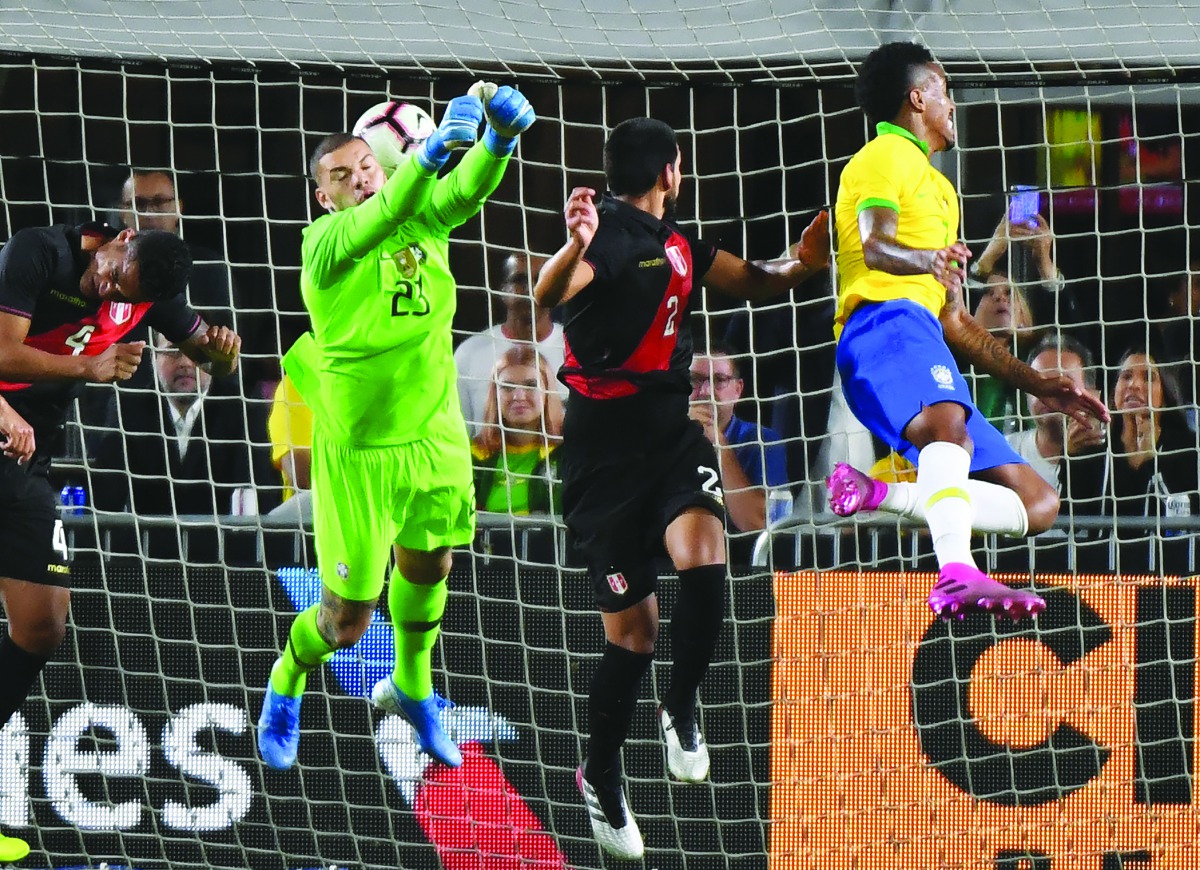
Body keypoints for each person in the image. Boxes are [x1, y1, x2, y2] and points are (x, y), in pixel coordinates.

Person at [533, 117, 829, 861]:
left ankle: (682, 702)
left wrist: (807, 262)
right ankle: (600, 773)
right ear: (671, 169)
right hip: (603, 459)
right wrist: (573, 242)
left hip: (670, 434)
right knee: (633, 635)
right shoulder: (607, 234)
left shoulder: (681, 245)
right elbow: (550, 292)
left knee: (706, 554)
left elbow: (761, 282)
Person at [255, 83, 537, 773]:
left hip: (435, 434)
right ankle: (287, 675)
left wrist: (497, 144)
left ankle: (415, 688)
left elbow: (462, 194)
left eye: (366, 168)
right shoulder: (324, 244)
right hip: (361, 453)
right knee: (348, 623)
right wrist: (436, 149)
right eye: (341, 177)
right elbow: (388, 211)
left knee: (431, 563)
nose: (358, 181)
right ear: (324, 196)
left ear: (383, 163)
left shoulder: (422, 224)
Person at [823, 41, 1108, 623]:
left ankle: (882, 494)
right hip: (882, 326)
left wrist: (1038, 382)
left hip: (922, 333)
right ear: (917, 96)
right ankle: (956, 574)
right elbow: (876, 246)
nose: (952, 103)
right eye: (945, 89)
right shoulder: (883, 155)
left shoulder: (943, 191)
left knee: (1038, 502)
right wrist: (927, 260)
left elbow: (956, 320)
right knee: (947, 434)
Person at [0, 220, 237, 862]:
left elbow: (208, 353)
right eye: (110, 272)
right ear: (120, 237)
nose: (108, 290)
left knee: (41, 627)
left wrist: (221, 348)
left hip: (31, 456)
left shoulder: (150, 288)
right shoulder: (37, 254)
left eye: (122, 293)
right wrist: (91, 365)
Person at [90, 328, 266, 561]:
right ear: (153, 359)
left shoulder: (243, 410)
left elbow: (255, 496)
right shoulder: (128, 408)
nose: (184, 362)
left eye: (196, 352)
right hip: (148, 560)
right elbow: (107, 495)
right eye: (172, 351)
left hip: (223, 560)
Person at [1064, 347, 1198, 522]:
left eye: (1148, 377)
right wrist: (1070, 460)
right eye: (1126, 376)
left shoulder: (1188, 448)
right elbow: (1068, 519)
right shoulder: (1095, 446)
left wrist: (1151, 463)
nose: (1134, 385)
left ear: (1165, 396)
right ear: (1114, 395)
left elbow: (1186, 519)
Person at [454, 251, 566, 435]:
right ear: (502, 289)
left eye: (541, 278)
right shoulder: (469, 354)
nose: (531, 288)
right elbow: (460, 436)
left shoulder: (577, 351)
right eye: (520, 280)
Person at [688, 344, 787, 532]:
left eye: (719, 380)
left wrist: (718, 443)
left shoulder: (762, 440)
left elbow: (758, 524)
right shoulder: (663, 438)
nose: (706, 392)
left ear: (738, 389)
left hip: (741, 557)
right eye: (695, 380)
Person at [471, 345, 563, 515]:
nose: (519, 396)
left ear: (547, 392)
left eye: (530, 385)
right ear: (495, 394)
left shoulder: (567, 454)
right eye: (507, 386)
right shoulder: (474, 456)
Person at [1005, 335, 1104, 488]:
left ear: (1091, 393)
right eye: (1040, 382)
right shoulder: (1005, 451)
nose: (1051, 392)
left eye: (1065, 382)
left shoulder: (1107, 462)